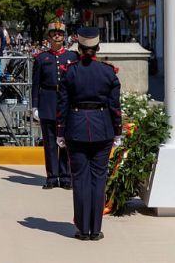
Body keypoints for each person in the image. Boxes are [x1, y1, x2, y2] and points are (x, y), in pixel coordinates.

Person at [57, 27, 122, 241]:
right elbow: (114, 106)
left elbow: (63, 105)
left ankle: (83, 229)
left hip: (76, 128)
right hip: (102, 127)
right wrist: (118, 131)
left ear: (79, 48)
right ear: (97, 48)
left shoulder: (69, 71)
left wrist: (60, 131)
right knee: (98, 178)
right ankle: (95, 229)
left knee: (80, 179)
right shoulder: (108, 71)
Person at [32, 20, 77, 190]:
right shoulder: (42, 58)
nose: (57, 36)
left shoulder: (72, 57)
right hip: (48, 101)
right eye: (54, 34)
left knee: (65, 141)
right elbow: (36, 84)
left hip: (66, 102)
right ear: (49, 37)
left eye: (60, 34)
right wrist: (35, 105)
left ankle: (65, 176)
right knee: (50, 141)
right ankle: (52, 176)